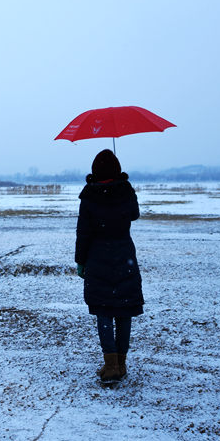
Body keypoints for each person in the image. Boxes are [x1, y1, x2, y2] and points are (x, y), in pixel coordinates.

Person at [74, 148, 143, 383]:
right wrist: (123, 188)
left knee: (103, 310)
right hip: (124, 255)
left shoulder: (89, 195)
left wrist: (80, 261)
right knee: (124, 310)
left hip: (98, 257)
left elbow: (83, 233)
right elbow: (134, 214)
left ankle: (111, 365)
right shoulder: (125, 191)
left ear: (94, 171)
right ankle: (120, 364)